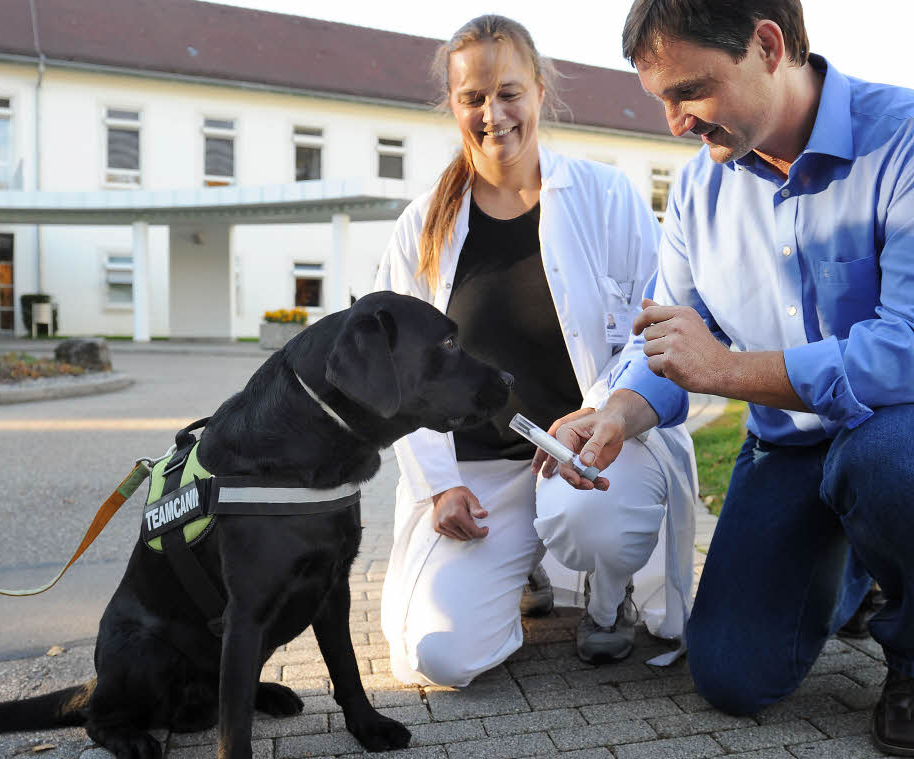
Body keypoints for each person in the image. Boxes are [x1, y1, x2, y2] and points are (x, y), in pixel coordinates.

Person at [552, 1, 914, 754]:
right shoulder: (695, 192)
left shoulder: (904, 140)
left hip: (894, 433)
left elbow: (905, 345)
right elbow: (678, 339)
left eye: (690, 91)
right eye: (663, 100)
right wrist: (617, 413)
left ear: (768, 45)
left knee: (880, 464)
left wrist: (726, 369)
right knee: (731, 675)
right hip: (785, 447)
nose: (676, 122)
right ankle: (856, 568)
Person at [374, 14, 698, 688]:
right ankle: (521, 573)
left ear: (541, 91)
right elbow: (399, 376)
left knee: (592, 519)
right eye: (473, 98)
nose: (493, 114)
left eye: (509, 92)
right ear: (453, 106)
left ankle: (608, 605)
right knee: (440, 656)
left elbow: (653, 330)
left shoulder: (606, 199)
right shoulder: (420, 229)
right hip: (479, 474)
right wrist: (441, 486)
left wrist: (603, 413)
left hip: (585, 448)